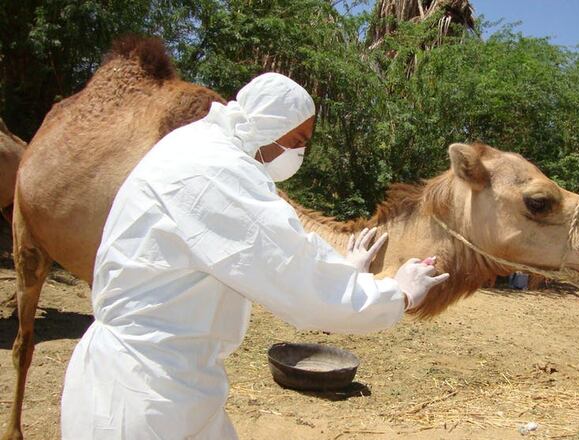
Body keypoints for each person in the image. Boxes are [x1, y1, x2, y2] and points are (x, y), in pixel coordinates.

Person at [60, 72, 450, 439]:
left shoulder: (201, 148)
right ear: (266, 124)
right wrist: (395, 293)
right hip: (145, 395)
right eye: (295, 139)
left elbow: (274, 248)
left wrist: (343, 271)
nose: (299, 152)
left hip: (171, 382)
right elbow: (292, 275)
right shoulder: (214, 172)